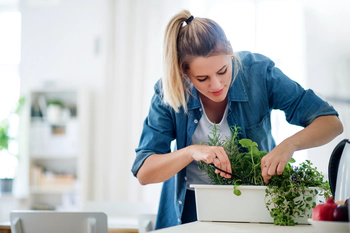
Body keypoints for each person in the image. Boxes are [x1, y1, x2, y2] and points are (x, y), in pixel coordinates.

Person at [131, 10, 343, 230]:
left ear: (231, 52)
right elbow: (145, 172)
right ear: (184, 73)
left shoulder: (258, 73)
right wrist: (191, 151)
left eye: (223, 71)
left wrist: (289, 145)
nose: (216, 85)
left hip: (253, 210)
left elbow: (331, 122)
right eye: (202, 78)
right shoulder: (170, 91)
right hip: (189, 213)